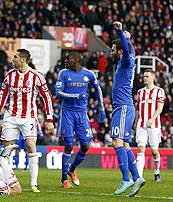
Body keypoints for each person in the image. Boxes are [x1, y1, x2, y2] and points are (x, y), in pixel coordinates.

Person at [0, 49, 54, 193]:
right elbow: (2, 95)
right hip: (11, 116)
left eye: (15, 57)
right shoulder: (9, 76)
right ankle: (8, 181)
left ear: (23, 60)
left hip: (28, 117)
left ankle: (34, 183)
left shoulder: (36, 76)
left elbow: (47, 97)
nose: (12, 60)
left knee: (31, 145)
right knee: (7, 149)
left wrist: (49, 119)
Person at [55, 53, 106, 188]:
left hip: (81, 114)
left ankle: (72, 170)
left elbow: (98, 89)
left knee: (85, 146)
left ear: (76, 61)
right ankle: (64, 179)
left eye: (68, 59)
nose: (65, 61)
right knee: (69, 145)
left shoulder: (88, 74)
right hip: (67, 113)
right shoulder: (63, 73)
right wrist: (75, 95)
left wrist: (102, 108)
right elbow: (58, 92)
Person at [110, 21, 145, 197]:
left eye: (112, 49)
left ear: (120, 51)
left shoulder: (125, 61)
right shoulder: (130, 58)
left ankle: (126, 179)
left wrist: (121, 32)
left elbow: (125, 47)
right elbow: (130, 49)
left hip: (123, 107)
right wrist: (129, 40)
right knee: (124, 144)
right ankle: (137, 177)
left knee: (116, 141)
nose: (111, 52)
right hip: (124, 106)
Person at [135, 69, 165, 182]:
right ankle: (139, 177)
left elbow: (160, 107)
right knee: (141, 148)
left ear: (153, 77)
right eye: (144, 76)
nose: (144, 78)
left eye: (147, 76)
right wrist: (135, 122)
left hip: (154, 125)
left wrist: (152, 119)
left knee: (154, 151)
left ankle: (157, 171)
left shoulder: (159, 91)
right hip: (141, 125)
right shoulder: (139, 92)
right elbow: (137, 109)